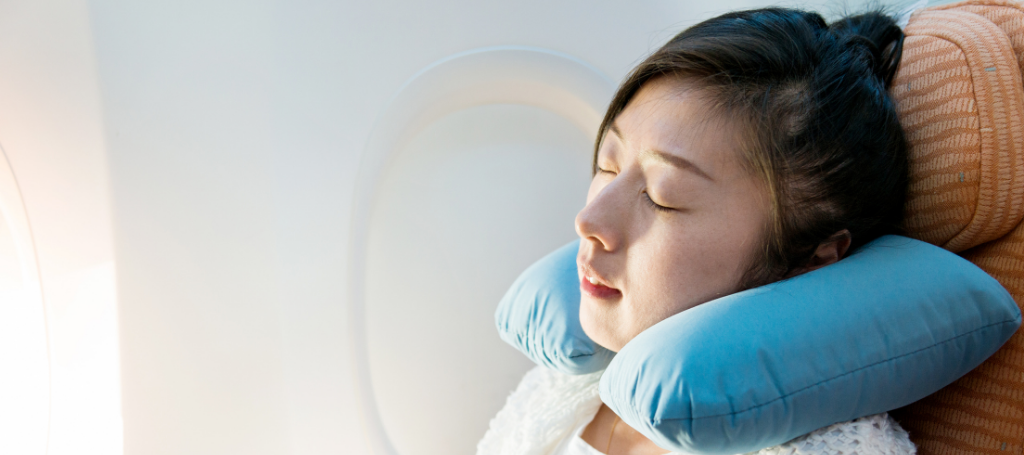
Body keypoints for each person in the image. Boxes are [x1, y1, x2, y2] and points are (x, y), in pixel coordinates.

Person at [479, 7, 915, 455]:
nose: (589, 220)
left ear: (810, 257)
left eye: (662, 195)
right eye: (609, 164)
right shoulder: (570, 384)